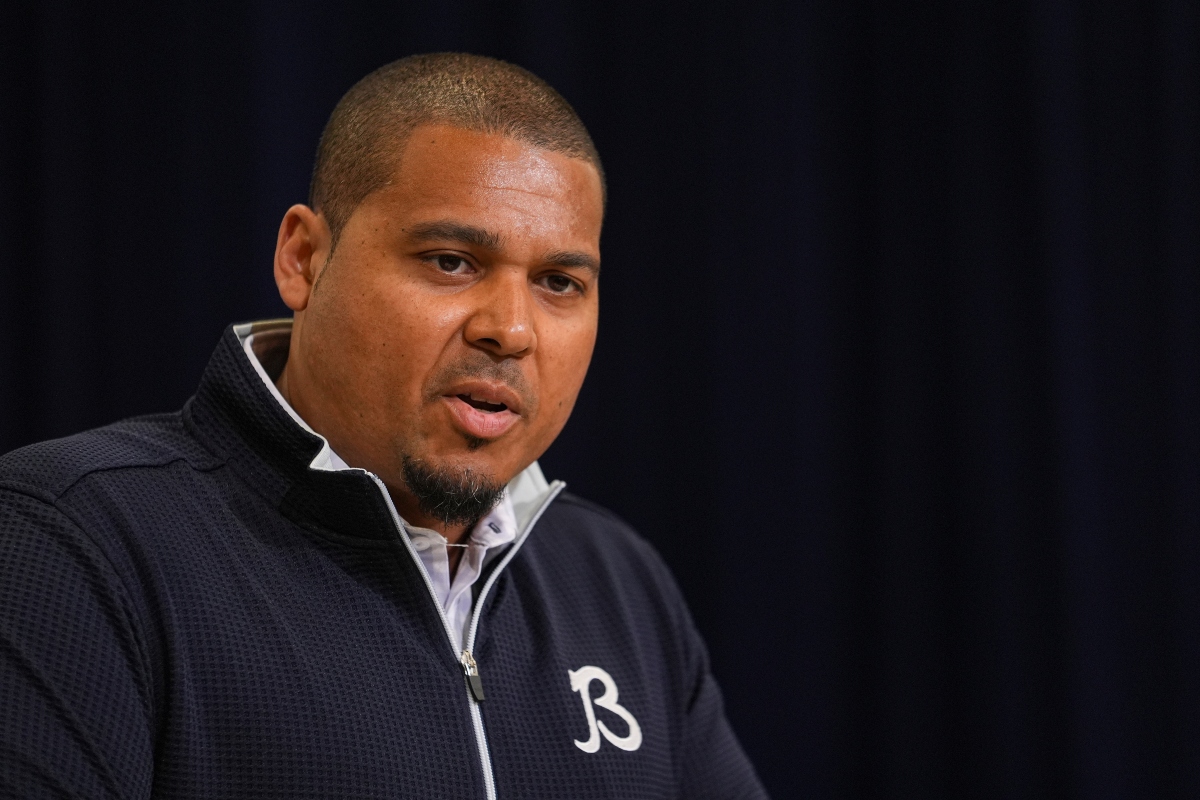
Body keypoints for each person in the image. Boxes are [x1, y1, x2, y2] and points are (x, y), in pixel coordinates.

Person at [0, 53, 767, 799]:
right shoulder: (71, 539)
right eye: (450, 261)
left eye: (559, 282)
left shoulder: (619, 580)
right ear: (303, 257)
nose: (511, 330)